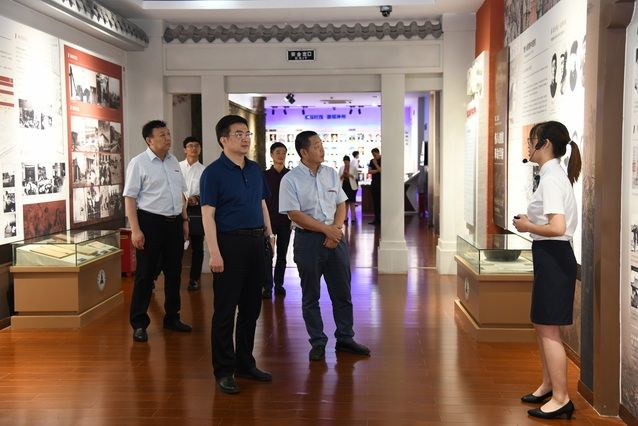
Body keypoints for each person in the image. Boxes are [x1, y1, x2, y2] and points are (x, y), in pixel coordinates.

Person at [279, 130, 370, 362]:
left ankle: (345, 337)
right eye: (317, 145)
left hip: (335, 238)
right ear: (304, 152)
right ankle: (318, 341)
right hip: (308, 241)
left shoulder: (330, 173)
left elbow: (341, 204)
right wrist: (325, 230)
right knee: (311, 295)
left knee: (342, 292)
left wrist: (335, 230)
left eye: (321, 144)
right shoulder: (290, 179)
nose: (322, 149)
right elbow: (294, 214)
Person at [200, 115, 274, 395]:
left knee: (251, 308)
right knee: (225, 311)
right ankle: (224, 370)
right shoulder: (213, 173)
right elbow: (207, 215)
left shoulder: (254, 169)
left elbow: (261, 203)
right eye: (238, 134)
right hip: (229, 244)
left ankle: (245, 363)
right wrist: (214, 252)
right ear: (223, 139)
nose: (245, 138)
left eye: (247, 134)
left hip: (256, 243)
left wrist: (269, 235)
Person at [513, 121, 581, 420]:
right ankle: (549, 386)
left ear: (545, 144)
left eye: (532, 140)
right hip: (550, 256)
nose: (529, 146)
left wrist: (528, 225)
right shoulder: (552, 175)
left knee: (549, 328)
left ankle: (561, 398)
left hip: (554, 256)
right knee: (542, 325)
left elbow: (557, 227)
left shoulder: (552, 178)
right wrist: (531, 222)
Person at [123, 120, 192, 343]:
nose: (168, 138)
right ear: (149, 140)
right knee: (145, 274)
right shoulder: (138, 163)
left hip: (174, 223)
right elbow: (130, 198)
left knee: (174, 273)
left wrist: (184, 220)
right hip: (150, 223)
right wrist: (135, 230)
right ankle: (139, 323)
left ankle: (172, 317)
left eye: (168, 134)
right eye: (162, 135)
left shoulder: (173, 161)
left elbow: (181, 194)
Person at [262, 142, 292, 299]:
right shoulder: (264, 175)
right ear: (272, 155)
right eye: (278, 152)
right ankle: (267, 286)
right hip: (269, 220)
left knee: (282, 254)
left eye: (283, 153)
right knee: (268, 254)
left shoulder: (291, 175)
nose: (281, 155)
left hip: (285, 221)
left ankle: (279, 284)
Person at [179, 136, 206, 291]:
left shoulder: (204, 170)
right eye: (190, 145)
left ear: (200, 149)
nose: (193, 148)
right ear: (185, 149)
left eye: (196, 145)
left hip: (195, 210)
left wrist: (196, 198)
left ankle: (194, 279)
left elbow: (206, 193)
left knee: (197, 247)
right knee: (174, 246)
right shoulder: (176, 167)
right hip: (177, 209)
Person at [338, 155, 358, 223]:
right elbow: (339, 177)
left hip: (352, 187)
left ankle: (353, 218)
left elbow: (356, 177)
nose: (345, 163)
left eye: (346, 162)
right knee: (345, 203)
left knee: (352, 202)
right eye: (344, 162)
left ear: (349, 161)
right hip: (344, 186)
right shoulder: (341, 168)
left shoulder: (353, 167)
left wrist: (349, 174)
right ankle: (345, 218)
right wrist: (343, 175)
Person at [368, 147, 382, 225]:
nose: (374, 156)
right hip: (374, 183)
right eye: (373, 155)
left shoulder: (382, 160)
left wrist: (376, 164)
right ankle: (376, 219)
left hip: (381, 184)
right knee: (375, 202)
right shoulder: (371, 161)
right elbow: (369, 171)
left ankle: (381, 218)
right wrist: (378, 170)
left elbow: (382, 171)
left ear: (378, 153)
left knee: (380, 201)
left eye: (375, 155)